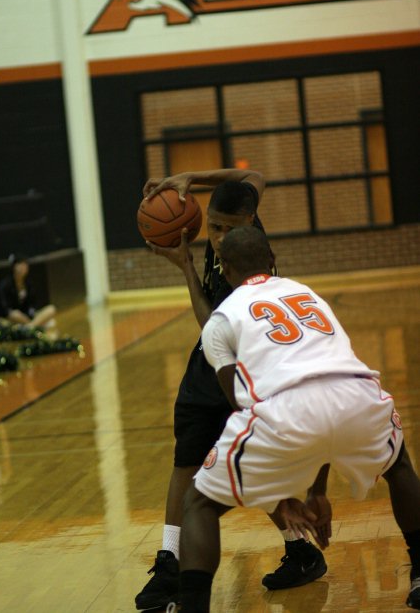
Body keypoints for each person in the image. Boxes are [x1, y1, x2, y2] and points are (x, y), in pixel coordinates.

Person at [172, 225, 420, 613]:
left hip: (287, 410)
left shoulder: (222, 319)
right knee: (400, 464)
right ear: (272, 261)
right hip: (357, 395)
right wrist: (315, 490)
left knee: (199, 503)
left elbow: (242, 403)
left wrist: (280, 490)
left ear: (223, 268)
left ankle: (192, 607)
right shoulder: (307, 293)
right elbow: (324, 403)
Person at [135, 170, 328, 611]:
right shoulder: (242, 206)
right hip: (208, 369)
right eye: (215, 226)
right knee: (186, 460)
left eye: (228, 228)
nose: (219, 237)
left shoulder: (244, 267)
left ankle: (298, 549)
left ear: (250, 221)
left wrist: (185, 266)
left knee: (252, 466)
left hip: (239, 365)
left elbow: (213, 326)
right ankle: (169, 562)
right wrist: (189, 177)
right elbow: (255, 175)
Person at [0, 254, 56, 328]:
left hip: (28, 316)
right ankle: (35, 326)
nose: (24, 267)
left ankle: (30, 327)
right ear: (14, 267)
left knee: (51, 309)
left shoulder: (28, 283)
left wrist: (32, 311)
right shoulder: (6, 284)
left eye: (25, 265)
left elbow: (33, 303)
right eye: (20, 264)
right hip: (14, 317)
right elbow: (5, 308)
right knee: (15, 314)